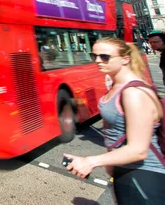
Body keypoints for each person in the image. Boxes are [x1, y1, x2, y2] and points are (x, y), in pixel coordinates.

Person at [64, 37, 165, 203]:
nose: (97, 60)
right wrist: (112, 162)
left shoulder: (134, 93)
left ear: (125, 59)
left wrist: (91, 161)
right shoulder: (116, 86)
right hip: (124, 170)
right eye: (93, 55)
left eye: (105, 56)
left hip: (145, 175)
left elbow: (139, 150)